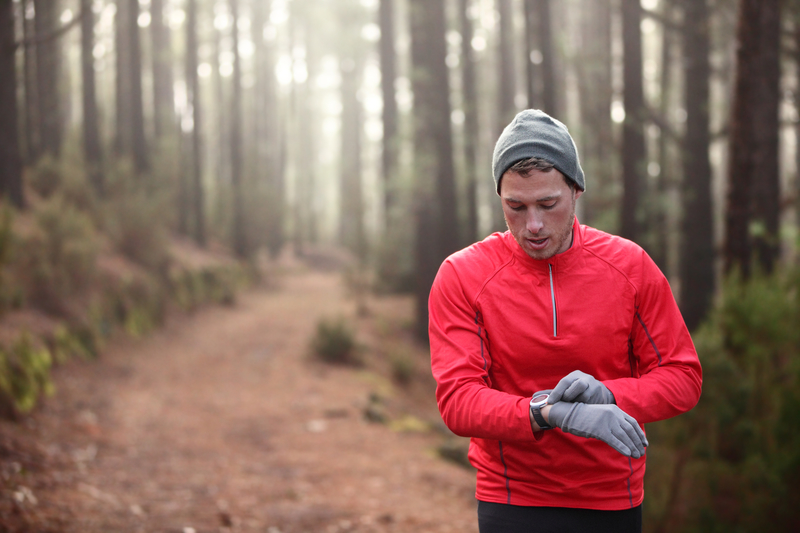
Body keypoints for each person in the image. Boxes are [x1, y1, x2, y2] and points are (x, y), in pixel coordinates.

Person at [428, 109, 702, 533]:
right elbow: (459, 401)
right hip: (511, 496)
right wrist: (548, 413)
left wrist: (608, 395)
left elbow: (683, 377)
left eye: (548, 204)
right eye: (515, 207)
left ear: (576, 190)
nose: (532, 225)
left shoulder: (630, 266)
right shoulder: (463, 274)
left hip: (611, 497)